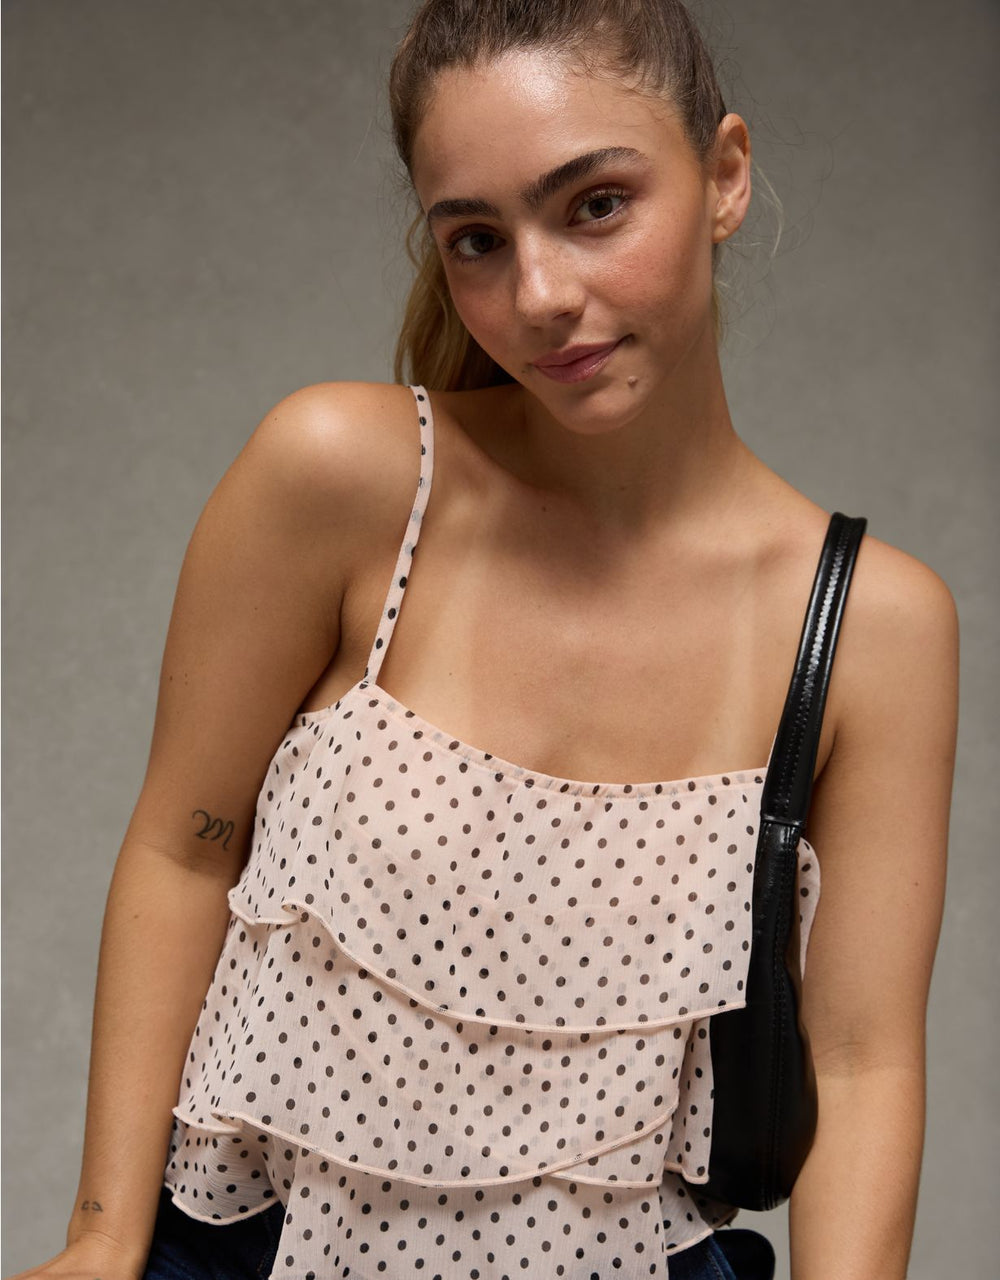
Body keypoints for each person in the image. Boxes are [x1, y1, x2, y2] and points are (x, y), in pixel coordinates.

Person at [13, 1, 958, 1278]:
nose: (540, 295)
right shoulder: (345, 480)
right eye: (476, 239)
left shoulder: (871, 628)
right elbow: (187, 849)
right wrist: (100, 1236)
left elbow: (859, 1059)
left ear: (725, 177)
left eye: (596, 205)